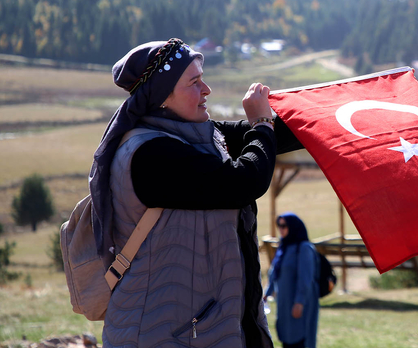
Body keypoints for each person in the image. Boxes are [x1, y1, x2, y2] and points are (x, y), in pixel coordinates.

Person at [89, 38, 301, 347]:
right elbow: (245, 182)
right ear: (162, 96)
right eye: (194, 82)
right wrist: (262, 123)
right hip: (161, 335)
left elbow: (270, 136)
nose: (206, 90)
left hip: (193, 331)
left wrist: (331, 112)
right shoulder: (150, 155)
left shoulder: (196, 134)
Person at [265, 213, 320, 348]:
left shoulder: (304, 248)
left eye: (284, 226)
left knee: (300, 338)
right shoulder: (283, 247)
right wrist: (267, 293)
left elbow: (305, 278)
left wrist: (299, 302)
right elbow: (274, 273)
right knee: (286, 338)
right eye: (279, 226)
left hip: (300, 303)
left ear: (294, 227)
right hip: (284, 302)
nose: (281, 229)